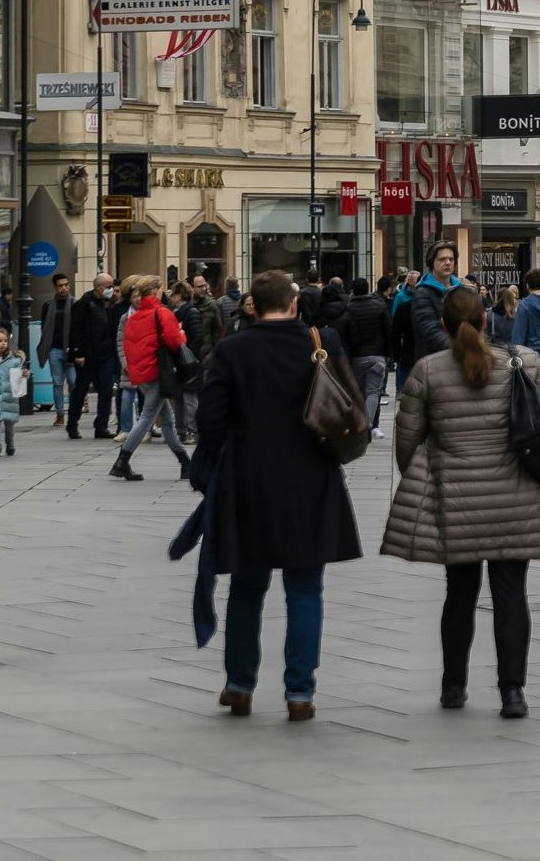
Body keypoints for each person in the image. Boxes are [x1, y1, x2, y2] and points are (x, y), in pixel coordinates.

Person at [381, 285, 540, 719]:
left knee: (459, 595)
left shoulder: (428, 371)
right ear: (487, 320)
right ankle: (513, 692)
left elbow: (407, 440)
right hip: (516, 497)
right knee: (511, 596)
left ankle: (453, 686)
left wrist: (424, 470)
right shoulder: (522, 361)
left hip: (456, 498)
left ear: (443, 326)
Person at [191, 271, 363, 722]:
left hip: (249, 482)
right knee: (305, 589)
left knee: (247, 588)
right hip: (310, 479)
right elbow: (351, 406)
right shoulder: (317, 343)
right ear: (292, 304)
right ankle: (300, 693)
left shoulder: (232, 350)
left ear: (253, 304)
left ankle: (240, 685)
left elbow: (209, 422)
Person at [110, 276, 191, 483]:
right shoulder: (162, 313)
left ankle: (185, 462)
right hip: (159, 373)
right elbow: (174, 341)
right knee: (147, 418)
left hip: (143, 373)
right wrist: (182, 335)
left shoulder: (134, 317)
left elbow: (129, 346)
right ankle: (121, 461)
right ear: (155, 291)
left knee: (167, 419)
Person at [71, 271, 121, 439]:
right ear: (99, 287)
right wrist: (78, 352)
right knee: (80, 390)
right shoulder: (84, 304)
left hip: (105, 355)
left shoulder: (110, 304)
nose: (112, 289)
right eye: (109, 286)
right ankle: (72, 424)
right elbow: (76, 330)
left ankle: (101, 426)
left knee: (106, 390)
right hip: (87, 355)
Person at [337, 277, 388, 435]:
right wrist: (388, 354)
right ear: (367, 289)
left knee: (357, 391)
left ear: (353, 290)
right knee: (373, 391)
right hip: (377, 353)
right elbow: (388, 331)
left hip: (357, 355)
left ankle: (358, 422)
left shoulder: (348, 308)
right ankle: (369, 423)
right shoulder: (379, 306)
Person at [399, 242, 462, 368]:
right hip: (434, 362)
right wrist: (460, 349)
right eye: (442, 259)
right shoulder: (423, 293)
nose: (448, 262)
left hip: (461, 360)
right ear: (432, 262)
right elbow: (429, 330)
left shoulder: (461, 289)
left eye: (451, 259)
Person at [40, 273, 73, 429]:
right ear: (55, 287)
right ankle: (60, 414)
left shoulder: (75, 303)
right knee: (57, 383)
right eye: (60, 285)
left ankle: (74, 412)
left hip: (71, 350)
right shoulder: (48, 305)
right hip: (55, 349)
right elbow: (44, 327)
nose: (64, 288)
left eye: (66, 285)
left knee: (74, 382)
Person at [0, 328, 23, 456]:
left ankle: (10, 444)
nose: (3, 343)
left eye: (5, 341)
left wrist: (24, 373)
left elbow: (19, 376)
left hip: (9, 396)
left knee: (9, 423)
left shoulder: (13, 360)